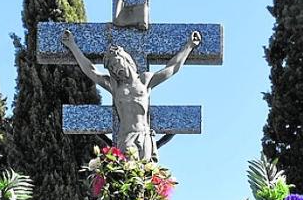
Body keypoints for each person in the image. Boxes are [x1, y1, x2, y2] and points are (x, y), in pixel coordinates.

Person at [60, 29, 202, 161]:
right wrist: (72, 45)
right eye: (113, 68)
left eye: (117, 63)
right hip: (126, 137)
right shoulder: (115, 86)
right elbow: (91, 71)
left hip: (144, 135)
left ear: (126, 59)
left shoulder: (145, 81)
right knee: (129, 174)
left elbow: (172, 68)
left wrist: (189, 45)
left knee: (145, 176)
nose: (116, 69)